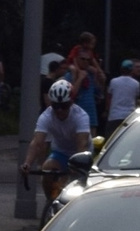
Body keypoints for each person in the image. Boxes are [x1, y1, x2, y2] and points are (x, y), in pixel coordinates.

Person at [20, 77, 93, 220]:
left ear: (71, 103)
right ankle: (51, 201)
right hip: (60, 152)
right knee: (47, 168)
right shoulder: (46, 116)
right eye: (55, 106)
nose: (59, 110)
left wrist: (76, 168)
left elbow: (82, 145)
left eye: (64, 106)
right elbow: (37, 142)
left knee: (76, 184)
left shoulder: (80, 116)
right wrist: (27, 163)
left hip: (80, 154)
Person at [105, 58, 140, 136]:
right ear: (131, 70)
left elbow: (109, 98)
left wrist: (107, 111)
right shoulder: (136, 84)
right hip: (129, 116)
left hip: (114, 116)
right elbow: (135, 99)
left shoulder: (113, 81)